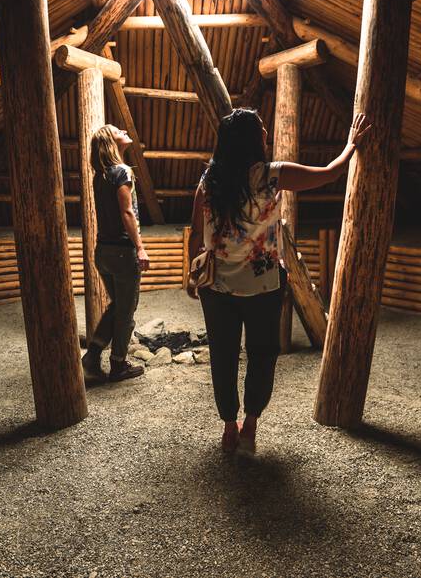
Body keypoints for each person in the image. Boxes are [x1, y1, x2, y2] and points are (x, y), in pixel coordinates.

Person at [188, 108, 371, 454]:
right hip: (264, 287)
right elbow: (329, 174)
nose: (266, 134)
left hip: (218, 288)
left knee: (223, 356)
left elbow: (197, 231)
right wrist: (350, 144)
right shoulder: (270, 175)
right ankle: (250, 426)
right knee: (262, 354)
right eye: (261, 129)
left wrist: (193, 273)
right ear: (250, 139)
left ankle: (229, 425)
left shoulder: (208, 180)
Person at [82, 124, 149, 382]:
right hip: (122, 253)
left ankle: (93, 354)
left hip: (103, 252)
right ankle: (119, 364)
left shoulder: (101, 175)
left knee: (118, 306)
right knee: (126, 310)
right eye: (118, 130)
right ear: (112, 141)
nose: (123, 130)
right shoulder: (122, 172)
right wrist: (140, 248)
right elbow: (126, 212)